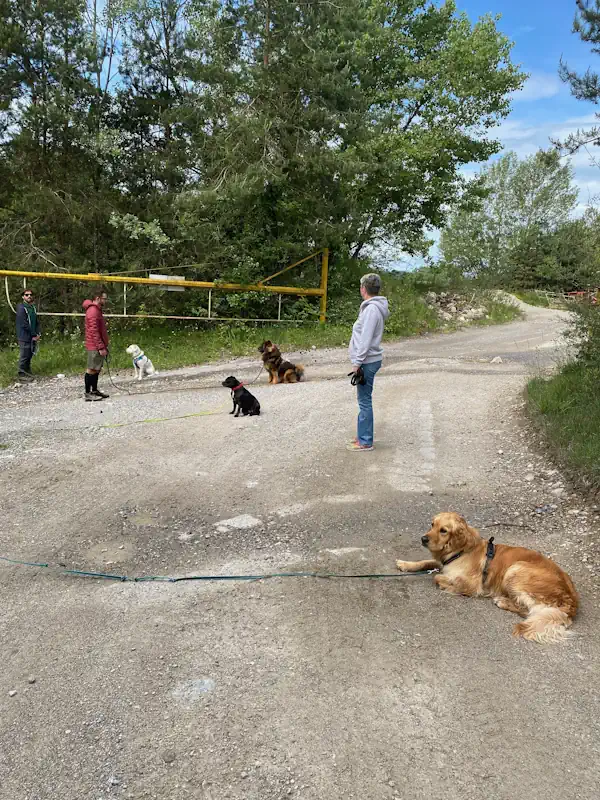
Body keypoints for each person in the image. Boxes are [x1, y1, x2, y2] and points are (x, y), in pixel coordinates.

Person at [347, 273, 389, 451]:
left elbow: (365, 339)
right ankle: (362, 436)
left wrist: (357, 363)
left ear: (363, 288)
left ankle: (365, 441)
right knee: (364, 399)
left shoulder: (371, 310)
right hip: (368, 359)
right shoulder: (372, 307)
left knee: (364, 401)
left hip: (367, 361)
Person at [83, 288, 110, 402]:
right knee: (92, 369)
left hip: (97, 344)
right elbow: (94, 331)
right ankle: (88, 393)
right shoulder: (93, 311)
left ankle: (94, 390)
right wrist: (101, 347)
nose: (105, 301)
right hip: (94, 345)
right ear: (98, 298)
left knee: (97, 369)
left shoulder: (97, 310)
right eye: (104, 298)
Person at [16, 288, 41, 382]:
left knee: (30, 354)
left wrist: (38, 333)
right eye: (26, 295)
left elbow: (36, 321)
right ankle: (21, 374)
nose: (29, 296)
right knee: (24, 355)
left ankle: (27, 372)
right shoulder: (21, 308)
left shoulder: (32, 307)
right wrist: (33, 334)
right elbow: (24, 324)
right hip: (24, 336)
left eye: (30, 294)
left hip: (32, 335)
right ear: (23, 297)